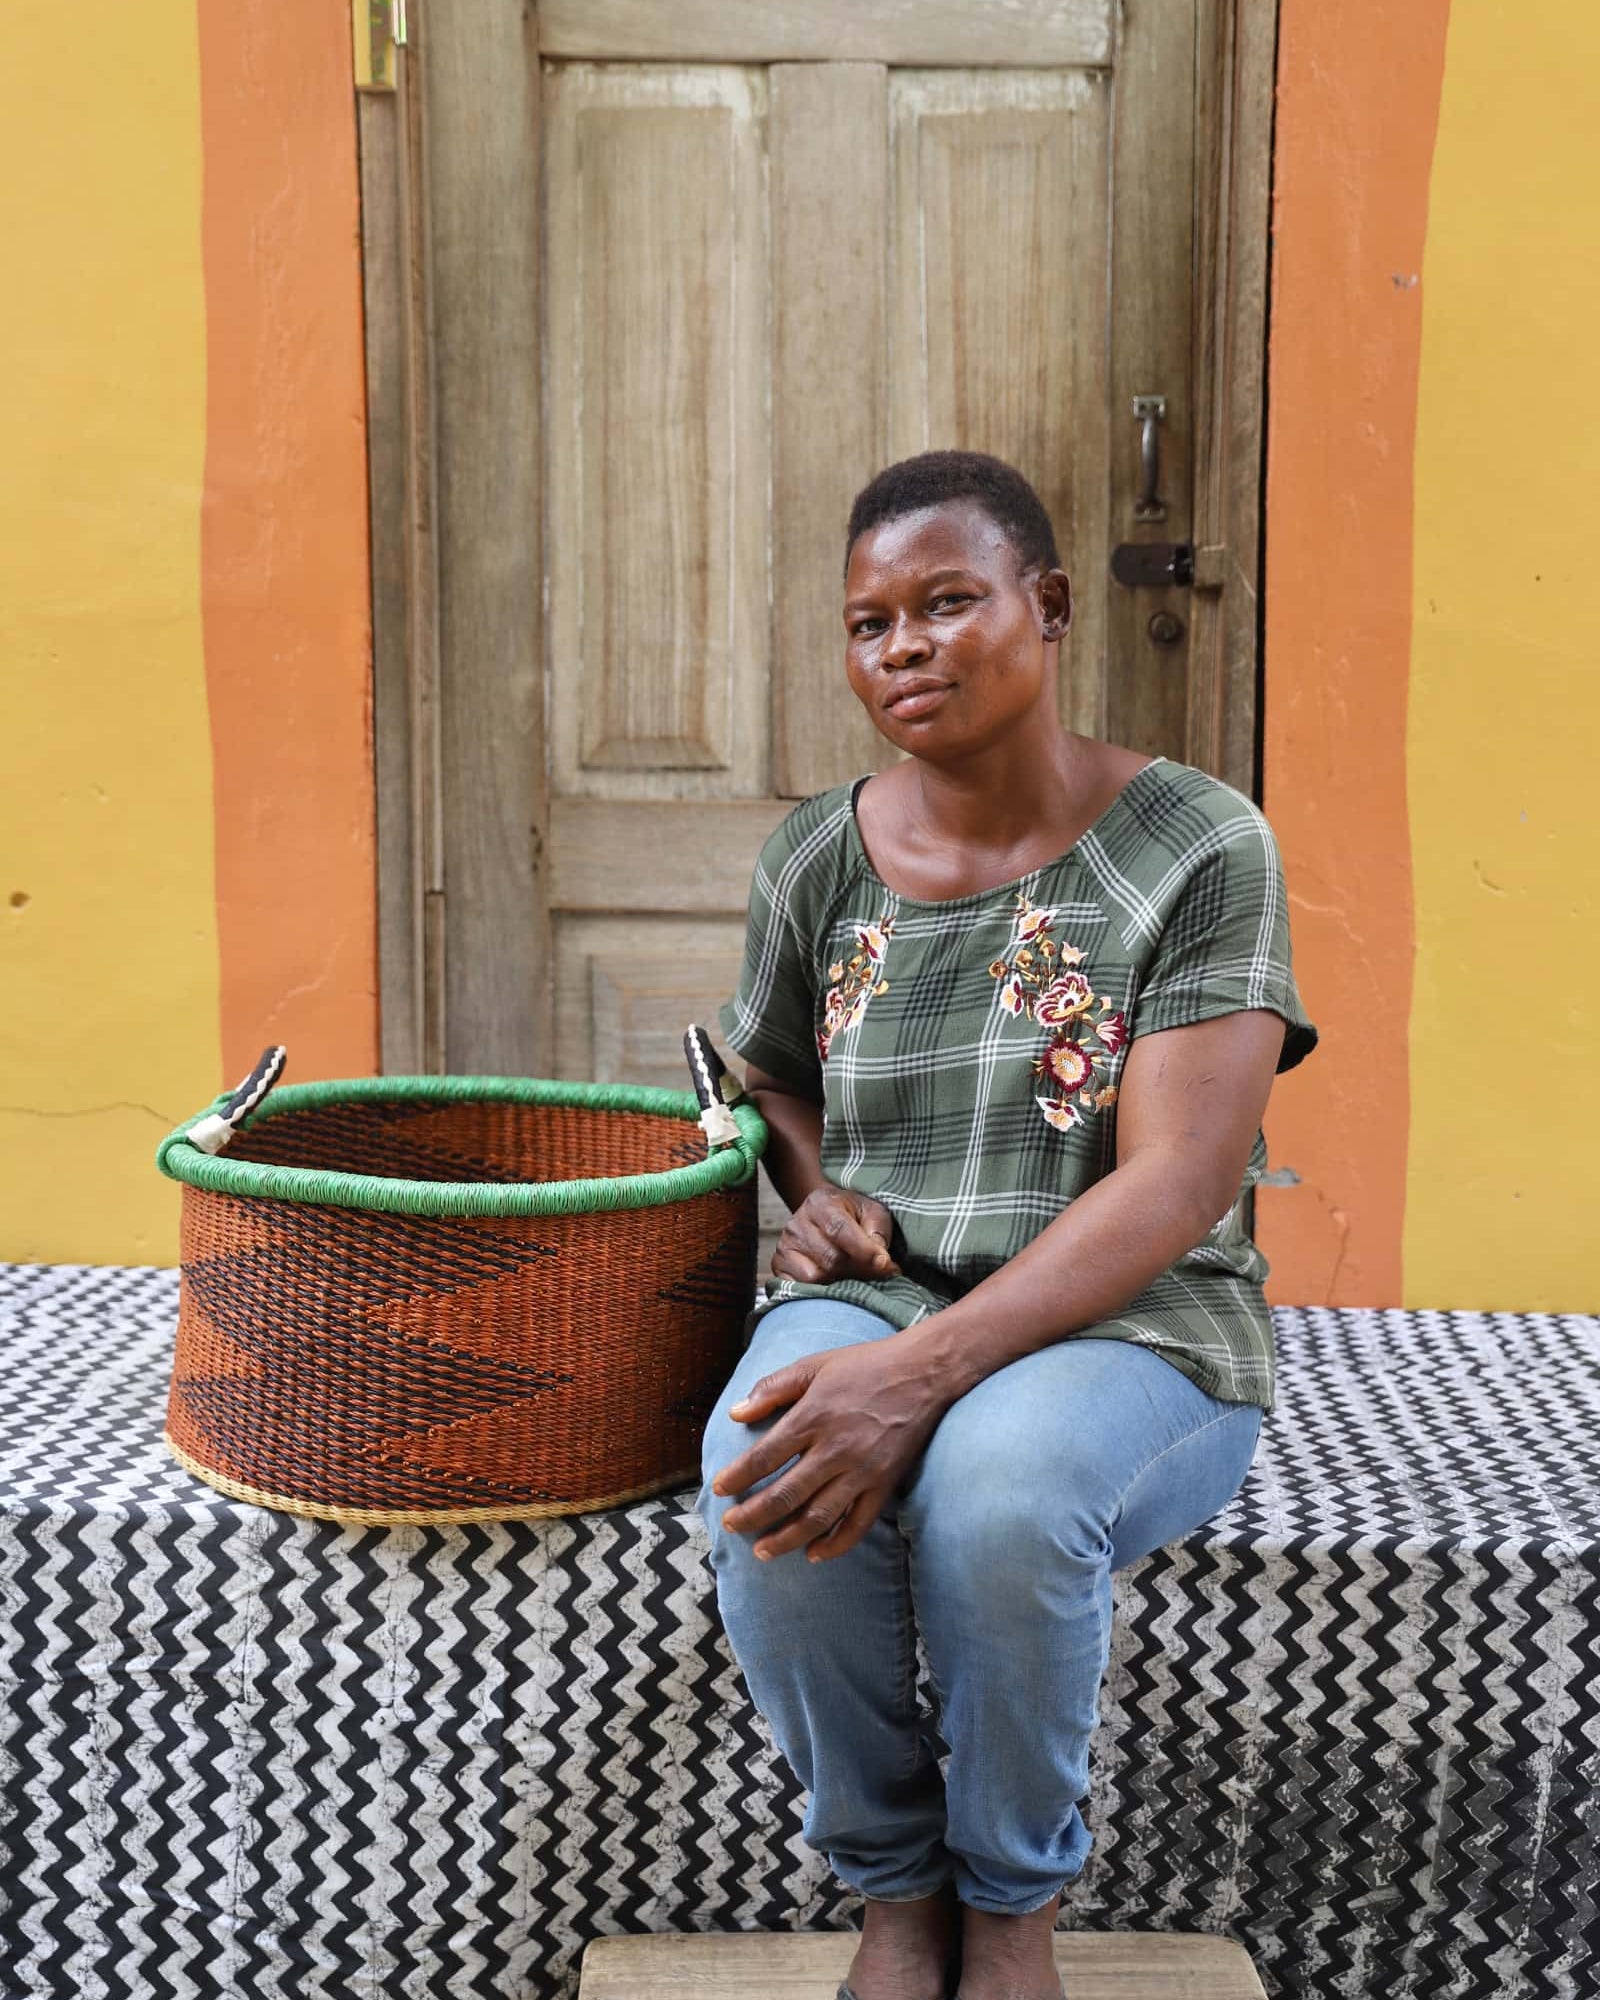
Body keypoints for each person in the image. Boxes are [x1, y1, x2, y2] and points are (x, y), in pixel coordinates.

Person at [695, 450, 1316, 2000]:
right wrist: (818, 1192)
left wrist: (923, 1378)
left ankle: (1012, 1915)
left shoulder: (1198, 846)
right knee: (759, 1469)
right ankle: (895, 1894)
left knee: (1004, 1494)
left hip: (1137, 1316)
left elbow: (1178, 1182)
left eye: (946, 602)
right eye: (869, 623)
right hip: (881, 1288)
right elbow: (764, 1077)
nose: (903, 646)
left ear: (1047, 604)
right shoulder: (816, 854)